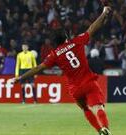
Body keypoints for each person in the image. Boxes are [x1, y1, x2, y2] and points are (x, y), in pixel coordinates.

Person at [11, 7, 112, 135]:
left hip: (75, 89)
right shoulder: (76, 42)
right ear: (66, 37)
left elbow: (38, 68)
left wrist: (20, 78)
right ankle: (105, 128)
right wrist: (104, 13)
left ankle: (99, 130)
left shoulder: (54, 54)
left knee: (85, 108)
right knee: (98, 107)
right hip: (88, 82)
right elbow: (92, 28)